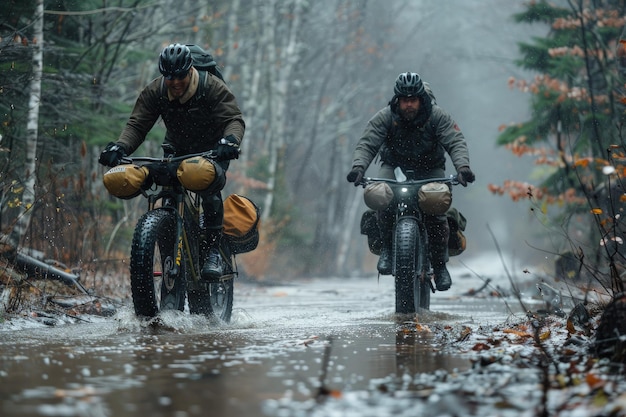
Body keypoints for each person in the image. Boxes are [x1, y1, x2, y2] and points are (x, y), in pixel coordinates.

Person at [98, 43, 245, 281]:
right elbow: (137, 125)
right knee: (167, 185)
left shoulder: (211, 86)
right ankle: (167, 241)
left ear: (190, 71)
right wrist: (120, 146)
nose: (175, 82)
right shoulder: (155, 90)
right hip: (176, 149)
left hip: (214, 150)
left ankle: (213, 251)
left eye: (180, 76)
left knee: (205, 183)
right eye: (169, 77)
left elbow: (234, 119)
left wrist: (229, 141)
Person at [346, 72, 474, 291]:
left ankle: (440, 266)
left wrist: (463, 168)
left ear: (421, 99)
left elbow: (455, 141)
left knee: (436, 207)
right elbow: (368, 143)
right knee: (379, 194)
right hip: (393, 165)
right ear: (397, 100)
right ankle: (387, 248)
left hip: (430, 168)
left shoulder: (437, 116)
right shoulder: (385, 116)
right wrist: (358, 168)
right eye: (404, 100)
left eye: (412, 99)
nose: (408, 105)